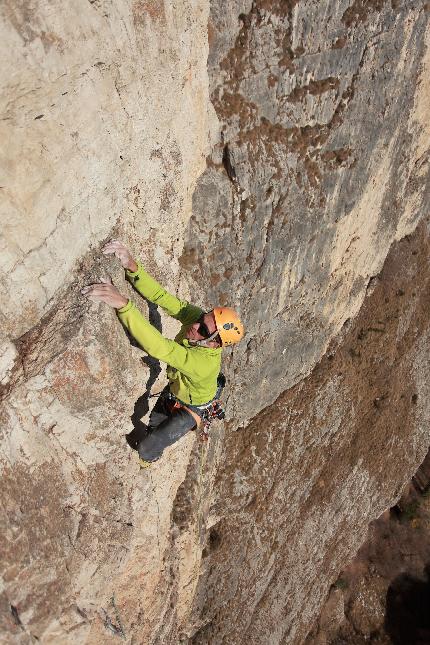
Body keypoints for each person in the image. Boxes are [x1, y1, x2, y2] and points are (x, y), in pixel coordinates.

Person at [82, 240, 244, 466]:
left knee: (147, 448)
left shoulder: (202, 363)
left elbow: (160, 347)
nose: (195, 325)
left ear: (215, 344)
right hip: (178, 389)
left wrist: (123, 304)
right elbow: (163, 298)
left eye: (203, 330)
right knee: (153, 424)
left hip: (192, 407)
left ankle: (150, 459)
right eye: (201, 318)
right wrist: (132, 266)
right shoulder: (197, 321)